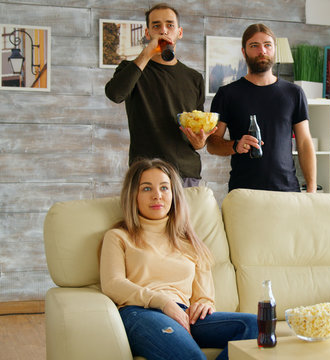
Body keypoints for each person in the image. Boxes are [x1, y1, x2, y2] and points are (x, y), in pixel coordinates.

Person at [100, 158, 257, 360]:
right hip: (141, 313)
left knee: (255, 326)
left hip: (185, 315)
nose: (157, 195)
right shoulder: (118, 236)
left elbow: (204, 296)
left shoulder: (191, 242)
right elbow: (113, 284)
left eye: (164, 188)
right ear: (133, 196)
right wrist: (162, 301)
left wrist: (204, 303)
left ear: (174, 195)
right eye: (146, 189)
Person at [105, 3, 215, 188]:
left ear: (179, 32)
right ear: (148, 34)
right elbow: (115, 94)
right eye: (156, 26)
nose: (163, 30)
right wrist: (146, 54)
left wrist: (199, 142)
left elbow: (197, 131)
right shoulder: (131, 69)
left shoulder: (194, 78)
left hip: (186, 173)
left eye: (170, 25)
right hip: (146, 172)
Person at [206, 23, 317, 193]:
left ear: (274, 49)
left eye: (267, 45)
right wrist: (235, 145)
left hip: (287, 192)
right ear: (244, 52)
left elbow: (304, 143)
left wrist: (311, 189)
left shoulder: (294, 93)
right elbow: (212, 144)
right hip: (243, 193)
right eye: (254, 45)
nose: (262, 51)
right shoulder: (227, 94)